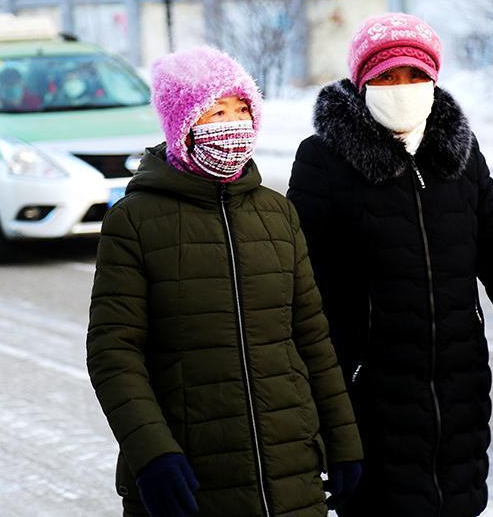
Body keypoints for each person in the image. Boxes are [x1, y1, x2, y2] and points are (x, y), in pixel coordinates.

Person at [287, 13, 493, 516]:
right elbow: (297, 284)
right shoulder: (323, 160)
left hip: (458, 387)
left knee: (456, 500)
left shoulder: (458, 154)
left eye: (415, 75)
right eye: (386, 76)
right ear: (361, 82)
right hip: (368, 394)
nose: (402, 88)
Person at [87, 46, 363, 517]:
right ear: (183, 125)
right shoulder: (134, 221)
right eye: (216, 111)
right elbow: (114, 353)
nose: (233, 124)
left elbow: (312, 338)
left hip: (291, 469)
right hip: (191, 474)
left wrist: (344, 440)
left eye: (242, 109)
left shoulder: (276, 213)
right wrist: (151, 452)